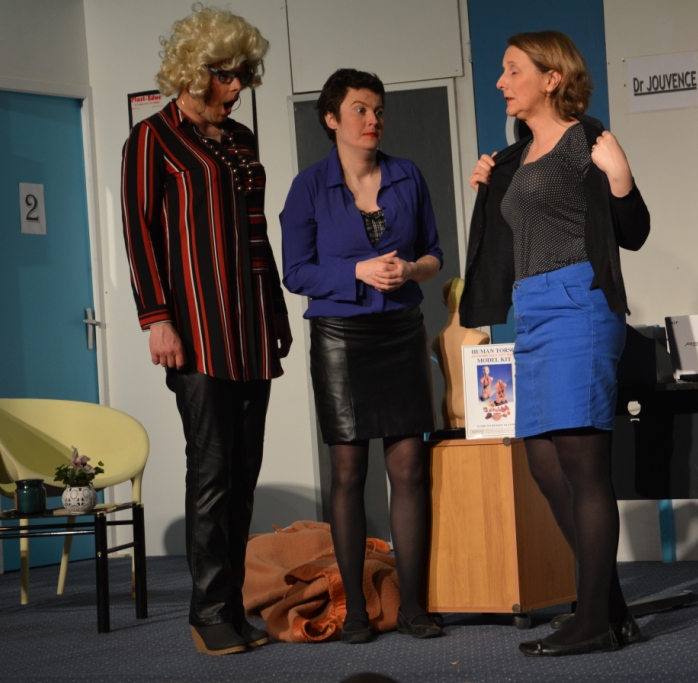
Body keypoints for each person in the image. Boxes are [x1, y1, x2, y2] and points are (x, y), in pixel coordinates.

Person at [460, 31, 651, 657]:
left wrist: (621, 179)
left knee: (583, 466)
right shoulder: (514, 157)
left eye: (512, 69)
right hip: (533, 312)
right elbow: (503, 238)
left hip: (578, 304)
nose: (500, 81)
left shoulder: (583, 141)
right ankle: (611, 612)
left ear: (551, 78)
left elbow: (634, 232)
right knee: (544, 464)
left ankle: (592, 618)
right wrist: (490, 184)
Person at [121, 5, 291, 656]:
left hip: (250, 326)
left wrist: (276, 313)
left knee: (243, 472)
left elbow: (257, 236)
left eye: (243, 73)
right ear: (193, 72)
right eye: (225, 74)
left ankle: (232, 605)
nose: (237, 85)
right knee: (213, 468)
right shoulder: (152, 139)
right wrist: (156, 318)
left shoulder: (240, 139)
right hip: (194, 330)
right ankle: (208, 610)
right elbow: (139, 235)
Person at [280, 68, 444, 643]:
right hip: (340, 339)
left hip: (401, 331)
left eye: (378, 110)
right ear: (331, 119)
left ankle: (414, 606)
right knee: (349, 473)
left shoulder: (408, 175)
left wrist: (410, 269)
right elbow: (296, 272)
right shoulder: (308, 186)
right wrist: (357, 270)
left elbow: (434, 254)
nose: (373, 120)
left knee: (410, 469)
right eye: (360, 110)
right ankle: (353, 610)